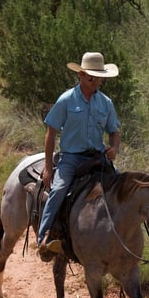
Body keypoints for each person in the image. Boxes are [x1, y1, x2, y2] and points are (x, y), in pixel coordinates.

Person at [36, 51, 121, 259]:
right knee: (58, 189)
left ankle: (119, 237)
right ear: (81, 75)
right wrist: (48, 167)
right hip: (72, 158)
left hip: (98, 157)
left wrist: (114, 148)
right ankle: (44, 238)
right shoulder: (66, 100)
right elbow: (51, 133)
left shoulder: (106, 103)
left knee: (120, 186)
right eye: (92, 77)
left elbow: (114, 131)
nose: (96, 82)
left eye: (99, 77)